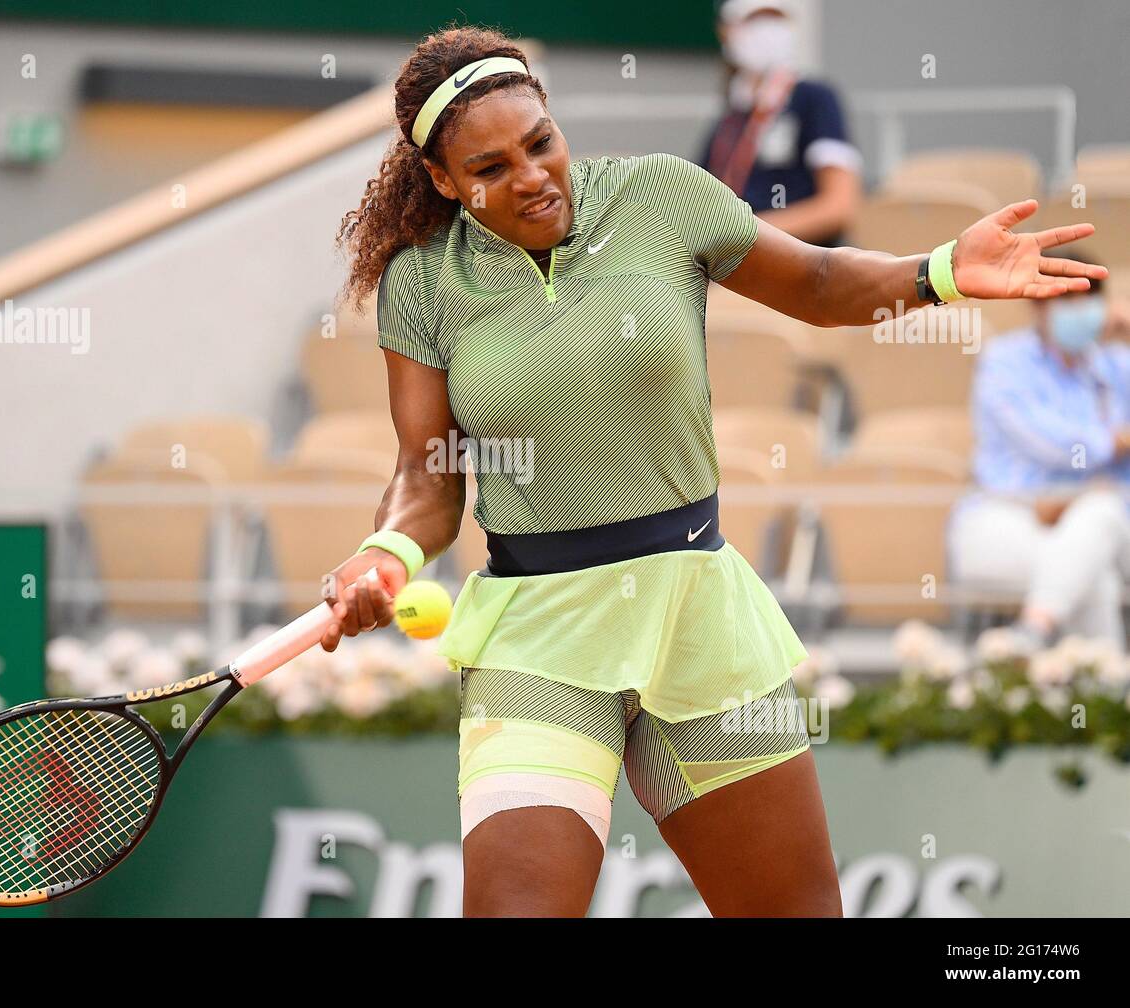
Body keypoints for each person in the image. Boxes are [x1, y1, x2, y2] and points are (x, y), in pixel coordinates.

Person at [328, 25, 1104, 918]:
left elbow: (814, 284)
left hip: (701, 616)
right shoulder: (423, 284)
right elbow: (428, 474)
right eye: (491, 168)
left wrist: (937, 275)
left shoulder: (660, 196)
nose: (532, 176)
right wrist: (386, 553)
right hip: (536, 636)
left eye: (540, 143)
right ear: (441, 180)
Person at [949, 258, 1130, 649]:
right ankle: (1100, 698)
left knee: (1100, 514)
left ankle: (1031, 636)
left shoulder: (1115, 364)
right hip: (1005, 515)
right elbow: (1056, 445)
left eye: (1090, 300)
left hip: (1097, 526)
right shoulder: (1004, 361)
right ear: (1037, 303)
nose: (1081, 312)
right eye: (1067, 300)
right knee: (1092, 572)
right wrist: (1115, 442)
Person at [696, 0, 862, 246]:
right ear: (726, 32)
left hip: (802, 261)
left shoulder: (813, 98)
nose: (766, 31)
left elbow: (839, 206)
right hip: (738, 264)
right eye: (753, 21)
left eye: (775, 20)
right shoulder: (732, 114)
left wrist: (746, 234)